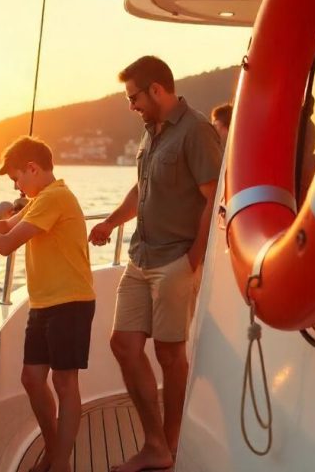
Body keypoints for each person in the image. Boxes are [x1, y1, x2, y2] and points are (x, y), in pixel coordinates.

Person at [89, 56, 222, 472]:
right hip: (140, 256)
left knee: (169, 354)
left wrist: (194, 258)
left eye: (134, 97)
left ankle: (168, 444)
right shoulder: (151, 133)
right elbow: (141, 189)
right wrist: (111, 221)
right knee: (123, 344)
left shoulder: (196, 130)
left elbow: (212, 195)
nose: (132, 106)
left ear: (157, 90)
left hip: (175, 260)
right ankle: (155, 444)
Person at [0, 136, 95, 472]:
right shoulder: (40, 199)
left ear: (32, 168)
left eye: (17, 177)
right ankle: (54, 447)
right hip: (45, 302)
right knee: (32, 379)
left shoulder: (54, 197)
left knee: (64, 383)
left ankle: (60, 462)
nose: (16, 184)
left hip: (70, 301)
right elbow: (4, 225)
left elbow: (4, 244)